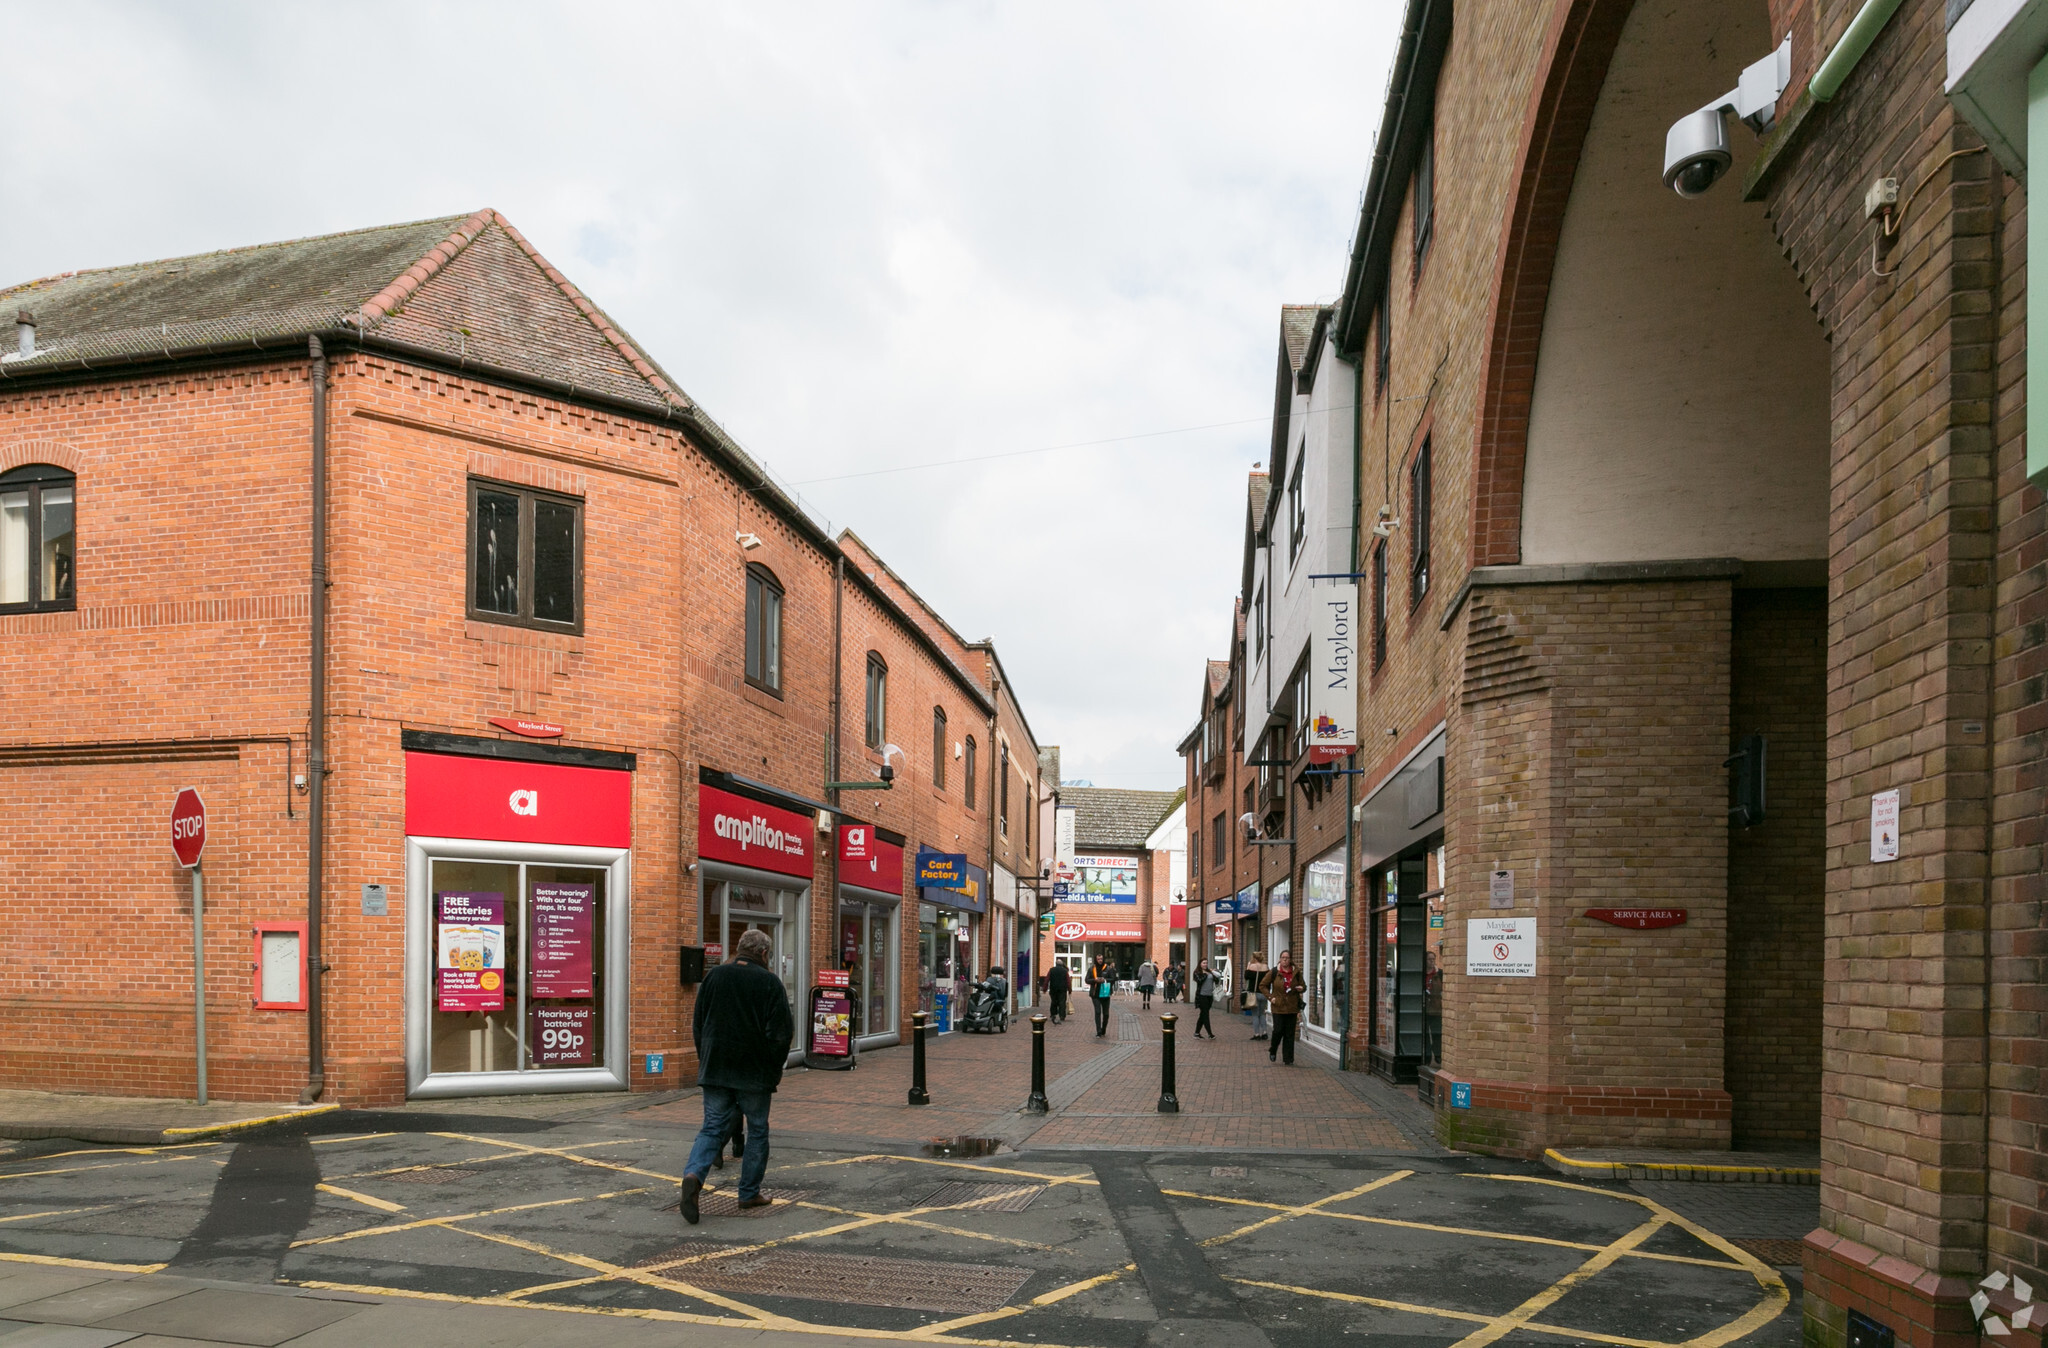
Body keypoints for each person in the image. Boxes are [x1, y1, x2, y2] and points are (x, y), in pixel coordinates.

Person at [680, 929, 794, 1224]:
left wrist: (704, 1058)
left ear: (740, 948)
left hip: (716, 1067)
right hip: (753, 1072)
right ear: (764, 954)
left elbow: (698, 1024)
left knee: (711, 1127)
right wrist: (773, 1070)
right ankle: (748, 1194)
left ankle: (694, 1174)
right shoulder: (770, 983)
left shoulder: (714, 977)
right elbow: (781, 1035)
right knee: (757, 1130)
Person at [1266, 948, 1305, 1066]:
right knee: (1278, 1031)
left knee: (1289, 1033)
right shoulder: (1274, 972)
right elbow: (1262, 985)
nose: (1285, 960)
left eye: (1287, 958)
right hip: (1278, 1006)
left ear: (1290, 959)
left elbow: (1303, 985)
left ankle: (1288, 1058)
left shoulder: (1296, 972)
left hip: (1292, 1006)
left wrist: (1302, 988)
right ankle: (1273, 1049)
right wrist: (1270, 997)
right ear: (1280, 959)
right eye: (1283, 958)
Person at [1243, 952, 1270, 1040]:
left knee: (1255, 1015)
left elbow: (1246, 976)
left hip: (1254, 994)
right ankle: (1265, 1032)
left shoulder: (1252, 966)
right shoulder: (1266, 967)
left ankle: (1257, 1034)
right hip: (1264, 994)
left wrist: (1248, 967)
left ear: (1254, 958)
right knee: (1262, 1014)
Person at [1423, 949, 1443, 1064]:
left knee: (1437, 1033)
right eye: (1429, 959)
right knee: (1425, 1034)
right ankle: (1426, 1056)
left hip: (1436, 1008)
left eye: (1433, 959)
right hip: (1425, 1008)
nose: (1431, 962)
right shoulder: (1422, 973)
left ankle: (1438, 1055)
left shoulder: (1439, 973)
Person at [1088, 955, 1115, 1036]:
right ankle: (1098, 1031)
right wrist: (1094, 980)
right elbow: (1087, 979)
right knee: (1098, 1012)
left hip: (1105, 994)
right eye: (1098, 959)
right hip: (1095, 994)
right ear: (1096, 960)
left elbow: (1113, 979)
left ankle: (1103, 1028)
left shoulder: (1108, 968)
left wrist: (1105, 980)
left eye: (1101, 959)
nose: (1100, 960)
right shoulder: (1092, 968)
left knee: (1106, 1014)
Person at [1191, 960, 1218, 1039]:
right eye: (1204, 963)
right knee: (1205, 1015)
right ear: (1200, 964)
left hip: (1209, 996)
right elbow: (1199, 981)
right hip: (1201, 996)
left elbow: (1216, 981)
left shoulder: (1209, 971)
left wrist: (1214, 974)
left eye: (1206, 963)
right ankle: (1210, 1034)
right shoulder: (1197, 972)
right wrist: (1205, 975)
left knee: (1203, 1015)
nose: (1205, 964)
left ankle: (1196, 1033)